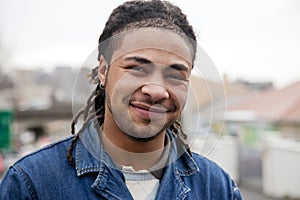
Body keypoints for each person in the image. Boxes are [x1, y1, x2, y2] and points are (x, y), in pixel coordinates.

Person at [0, 0, 242, 199]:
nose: (157, 91)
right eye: (137, 68)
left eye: (175, 75)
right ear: (103, 71)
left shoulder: (217, 189)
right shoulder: (32, 184)